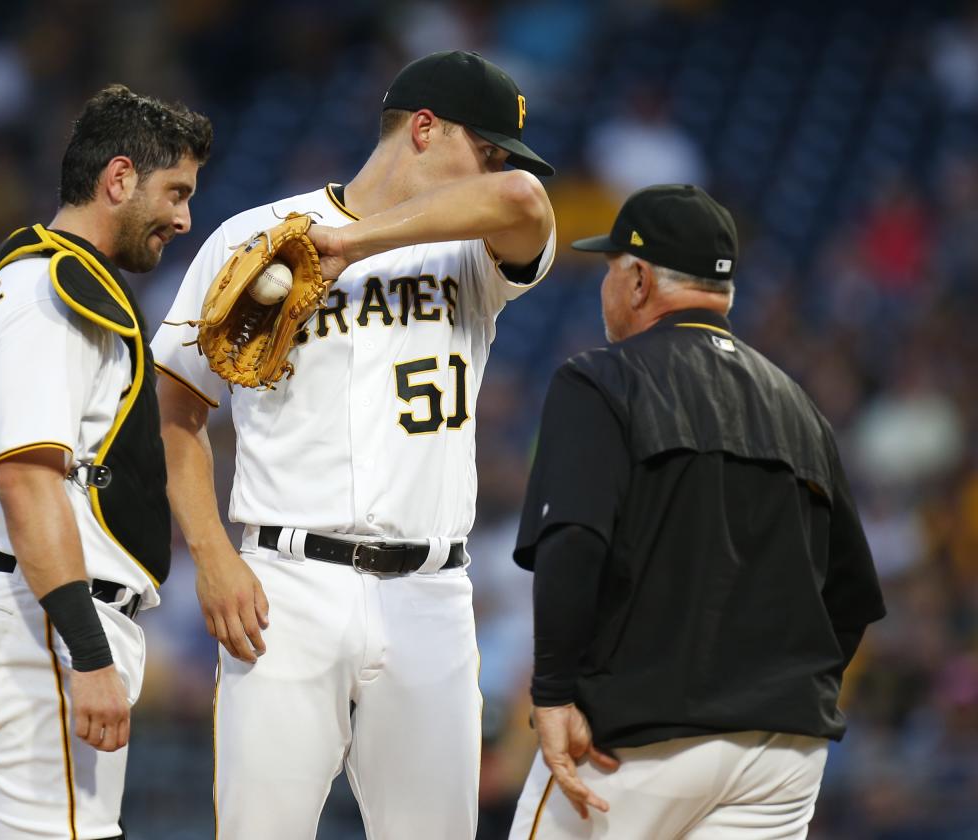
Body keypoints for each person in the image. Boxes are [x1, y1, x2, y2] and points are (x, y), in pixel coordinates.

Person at [151, 50, 556, 839]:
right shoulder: (254, 236)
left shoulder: (471, 252)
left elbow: (525, 199)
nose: (496, 168)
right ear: (427, 129)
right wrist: (212, 555)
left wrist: (352, 245)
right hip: (286, 588)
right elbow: (177, 412)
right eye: (487, 146)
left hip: (432, 594)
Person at [508, 184, 886, 839]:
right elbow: (850, 596)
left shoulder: (601, 379)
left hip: (633, 738)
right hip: (781, 755)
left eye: (609, 269)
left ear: (638, 280)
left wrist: (553, 693)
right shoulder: (801, 408)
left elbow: (574, 542)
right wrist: (778, 690)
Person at [0, 84, 211, 837]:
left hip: (30, 614)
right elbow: (27, 482)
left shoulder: (20, 278)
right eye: (174, 191)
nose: (185, 217)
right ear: (118, 179)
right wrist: (88, 654)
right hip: (42, 625)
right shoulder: (54, 294)